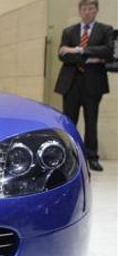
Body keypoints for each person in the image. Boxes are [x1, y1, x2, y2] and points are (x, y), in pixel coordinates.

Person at [54, 0, 114, 172]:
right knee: (69, 121)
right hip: (71, 82)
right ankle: (68, 156)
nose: (88, 12)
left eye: (91, 9)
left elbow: (108, 52)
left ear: (97, 11)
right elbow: (63, 56)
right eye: (85, 8)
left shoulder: (106, 30)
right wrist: (93, 57)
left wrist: (78, 50)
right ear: (80, 11)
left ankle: (91, 157)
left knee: (91, 121)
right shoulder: (69, 31)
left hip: (93, 83)